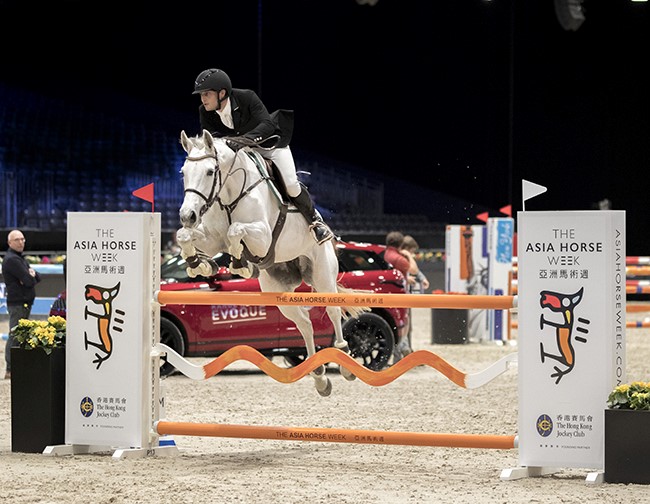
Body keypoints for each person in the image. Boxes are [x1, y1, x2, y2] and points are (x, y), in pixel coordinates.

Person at [192, 68, 333, 245]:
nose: (203, 99)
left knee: (291, 185)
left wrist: (243, 141)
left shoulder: (246, 98)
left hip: (270, 145)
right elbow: (212, 139)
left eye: (206, 94)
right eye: (201, 95)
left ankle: (316, 222)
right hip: (242, 151)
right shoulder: (204, 111)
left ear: (222, 93)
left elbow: (267, 125)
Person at [3, 229, 41, 379]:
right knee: (15, 335)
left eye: (22, 239)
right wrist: (29, 276)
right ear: (9, 243)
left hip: (23, 302)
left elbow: (37, 277)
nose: (21, 242)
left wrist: (31, 276)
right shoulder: (12, 260)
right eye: (17, 240)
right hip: (18, 303)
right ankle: (10, 369)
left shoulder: (19, 258)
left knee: (20, 334)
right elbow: (29, 280)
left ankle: (16, 367)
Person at [383, 231, 418, 361]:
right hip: (400, 294)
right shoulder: (398, 258)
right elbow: (414, 270)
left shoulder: (386, 254)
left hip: (388, 293)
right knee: (403, 326)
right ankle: (404, 352)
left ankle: (404, 350)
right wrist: (409, 255)